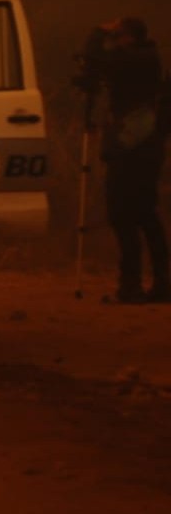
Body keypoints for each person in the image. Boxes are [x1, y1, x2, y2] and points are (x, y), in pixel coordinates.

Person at [80, 17, 170, 304]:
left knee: (123, 214)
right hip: (144, 147)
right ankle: (159, 283)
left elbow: (97, 59)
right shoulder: (146, 58)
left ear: (129, 37)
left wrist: (98, 32)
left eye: (118, 36)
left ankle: (131, 285)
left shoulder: (135, 60)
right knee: (145, 214)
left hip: (132, 149)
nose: (114, 42)